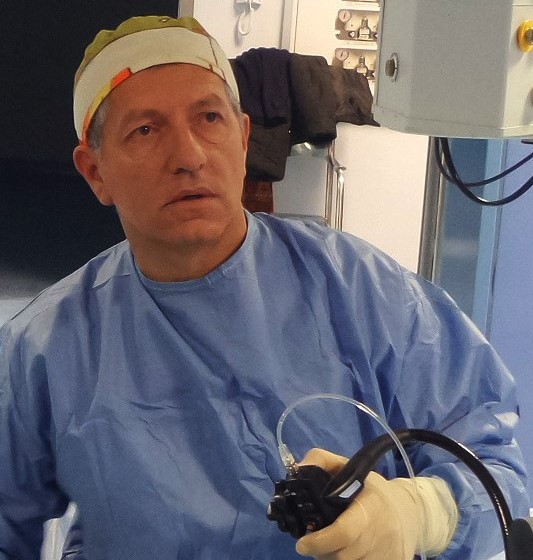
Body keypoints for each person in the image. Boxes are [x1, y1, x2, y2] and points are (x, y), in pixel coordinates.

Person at [0, 15, 529, 560]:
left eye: (209, 118)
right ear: (95, 171)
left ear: (243, 136)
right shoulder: (45, 349)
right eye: (146, 131)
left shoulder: (359, 290)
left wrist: (422, 513)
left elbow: (494, 466)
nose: (189, 156)